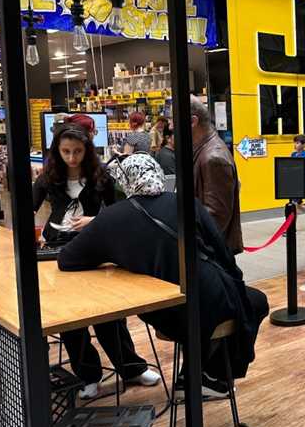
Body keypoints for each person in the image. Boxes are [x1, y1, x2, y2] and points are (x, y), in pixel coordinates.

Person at [58, 154, 269, 396]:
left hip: (164, 311)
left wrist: (114, 255)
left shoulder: (110, 218)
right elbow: (223, 253)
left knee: (235, 307)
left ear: (126, 182)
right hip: (209, 300)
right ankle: (209, 375)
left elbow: (67, 259)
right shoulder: (185, 203)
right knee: (255, 302)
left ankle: (195, 377)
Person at [34, 123, 160, 398]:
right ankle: (89, 376)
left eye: (77, 151)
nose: (71, 158)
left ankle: (131, 368)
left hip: (94, 245)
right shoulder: (48, 177)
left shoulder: (100, 175)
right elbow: (28, 208)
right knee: (70, 317)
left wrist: (95, 220)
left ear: (87, 149)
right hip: (56, 247)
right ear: (57, 150)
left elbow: (120, 212)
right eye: (66, 151)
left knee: (109, 313)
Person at [191, 96, 243, 253]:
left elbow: (216, 216)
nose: (171, 126)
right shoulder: (203, 150)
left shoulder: (213, 158)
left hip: (212, 254)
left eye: (174, 119)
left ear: (193, 121)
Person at [291, 134, 305, 210]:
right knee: (296, 203)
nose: (295, 144)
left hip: (301, 181)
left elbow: (299, 165)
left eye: (297, 143)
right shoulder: (293, 154)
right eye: (295, 142)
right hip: (294, 181)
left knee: (296, 202)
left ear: (304, 145)